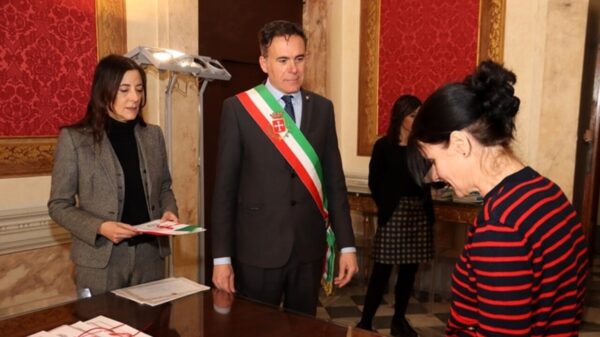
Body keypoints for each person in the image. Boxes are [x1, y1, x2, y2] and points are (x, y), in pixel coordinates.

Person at [408, 60, 589, 336]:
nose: (433, 176)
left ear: (459, 143)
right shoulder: (546, 191)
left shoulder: (501, 225)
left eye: (432, 160)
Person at [211, 20, 358, 316]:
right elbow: (224, 191)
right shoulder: (239, 109)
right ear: (264, 63)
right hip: (258, 248)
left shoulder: (322, 108)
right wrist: (221, 259)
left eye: (299, 58)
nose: (293, 68)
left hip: (309, 247)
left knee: (304, 328)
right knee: (255, 329)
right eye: (283, 60)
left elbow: (334, 182)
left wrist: (347, 246)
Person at [48, 54, 178, 296]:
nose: (135, 98)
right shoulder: (75, 139)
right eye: (124, 90)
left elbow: (164, 188)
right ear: (104, 91)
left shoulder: (153, 136)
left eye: (139, 89)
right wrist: (100, 226)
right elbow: (58, 205)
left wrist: (169, 211)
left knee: (151, 329)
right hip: (101, 260)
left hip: (150, 258)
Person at [355, 95, 434, 337]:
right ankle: (365, 322)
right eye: (412, 114)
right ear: (400, 117)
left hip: (418, 213)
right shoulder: (383, 146)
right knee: (381, 272)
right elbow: (374, 182)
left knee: (409, 273)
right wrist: (388, 205)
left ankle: (398, 320)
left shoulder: (421, 146)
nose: (416, 118)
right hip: (394, 215)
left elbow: (431, 181)